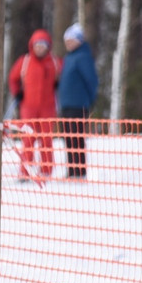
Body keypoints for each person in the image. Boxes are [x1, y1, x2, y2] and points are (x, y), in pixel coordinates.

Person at [8, 28, 61, 181]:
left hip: (48, 106)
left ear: (48, 46)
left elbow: (62, 79)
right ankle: (25, 171)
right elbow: (13, 78)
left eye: (43, 45)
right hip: (28, 106)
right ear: (32, 46)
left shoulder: (55, 62)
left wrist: (59, 85)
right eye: (37, 45)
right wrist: (17, 91)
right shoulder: (24, 61)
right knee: (28, 139)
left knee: (46, 140)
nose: (40, 48)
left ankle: (46, 171)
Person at [57, 23, 99, 180]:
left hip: (78, 104)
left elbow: (92, 80)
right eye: (66, 40)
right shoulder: (68, 58)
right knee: (68, 138)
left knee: (76, 138)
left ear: (79, 41)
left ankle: (79, 171)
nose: (68, 43)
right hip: (66, 104)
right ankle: (72, 170)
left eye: (71, 40)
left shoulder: (83, 57)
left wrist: (89, 99)